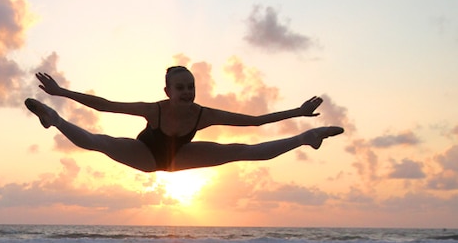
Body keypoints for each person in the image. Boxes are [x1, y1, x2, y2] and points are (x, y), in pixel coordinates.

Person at [24, 67, 344, 172]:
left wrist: (299, 114)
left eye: (191, 87)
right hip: (147, 156)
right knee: (99, 143)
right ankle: (54, 119)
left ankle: (307, 138)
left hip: (181, 157)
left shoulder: (202, 114)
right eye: (180, 88)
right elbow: (105, 105)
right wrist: (61, 92)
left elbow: (256, 121)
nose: (187, 92)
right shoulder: (155, 109)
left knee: (242, 150)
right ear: (167, 90)